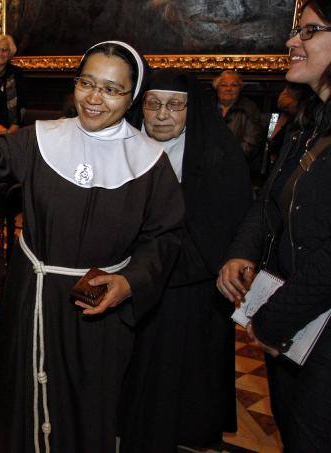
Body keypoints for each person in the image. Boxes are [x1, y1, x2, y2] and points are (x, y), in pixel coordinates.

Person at [0, 41, 183, 453]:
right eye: (87, 83)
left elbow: (164, 238)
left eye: (111, 89)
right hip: (32, 294)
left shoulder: (149, 161)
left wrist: (129, 282)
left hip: (100, 303)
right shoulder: (41, 138)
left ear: (132, 97)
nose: (94, 97)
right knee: (23, 394)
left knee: (89, 400)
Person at [217, 0, 331, 452]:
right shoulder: (309, 121)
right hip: (298, 332)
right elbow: (269, 202)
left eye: (310, 30)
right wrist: (242, 250)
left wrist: (269, 320)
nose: (292, 42)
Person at [121, 69, 250, 452]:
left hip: (190, 287)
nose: (162, 114)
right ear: (140, 107)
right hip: (129, 280)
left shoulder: (218, 153)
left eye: (175, 105)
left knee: (180, 373)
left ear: (190, 110)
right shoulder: (120, 144)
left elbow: (224, 226)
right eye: (153, 104)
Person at [213, 69, 265, 164]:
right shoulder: (207, 108)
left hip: (237, 166)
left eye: (234, 85)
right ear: (217, 88)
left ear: (240, 88)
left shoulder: (250, 109)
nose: (228, 89)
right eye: (224, 85)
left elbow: (251, 143)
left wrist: (226, 159)